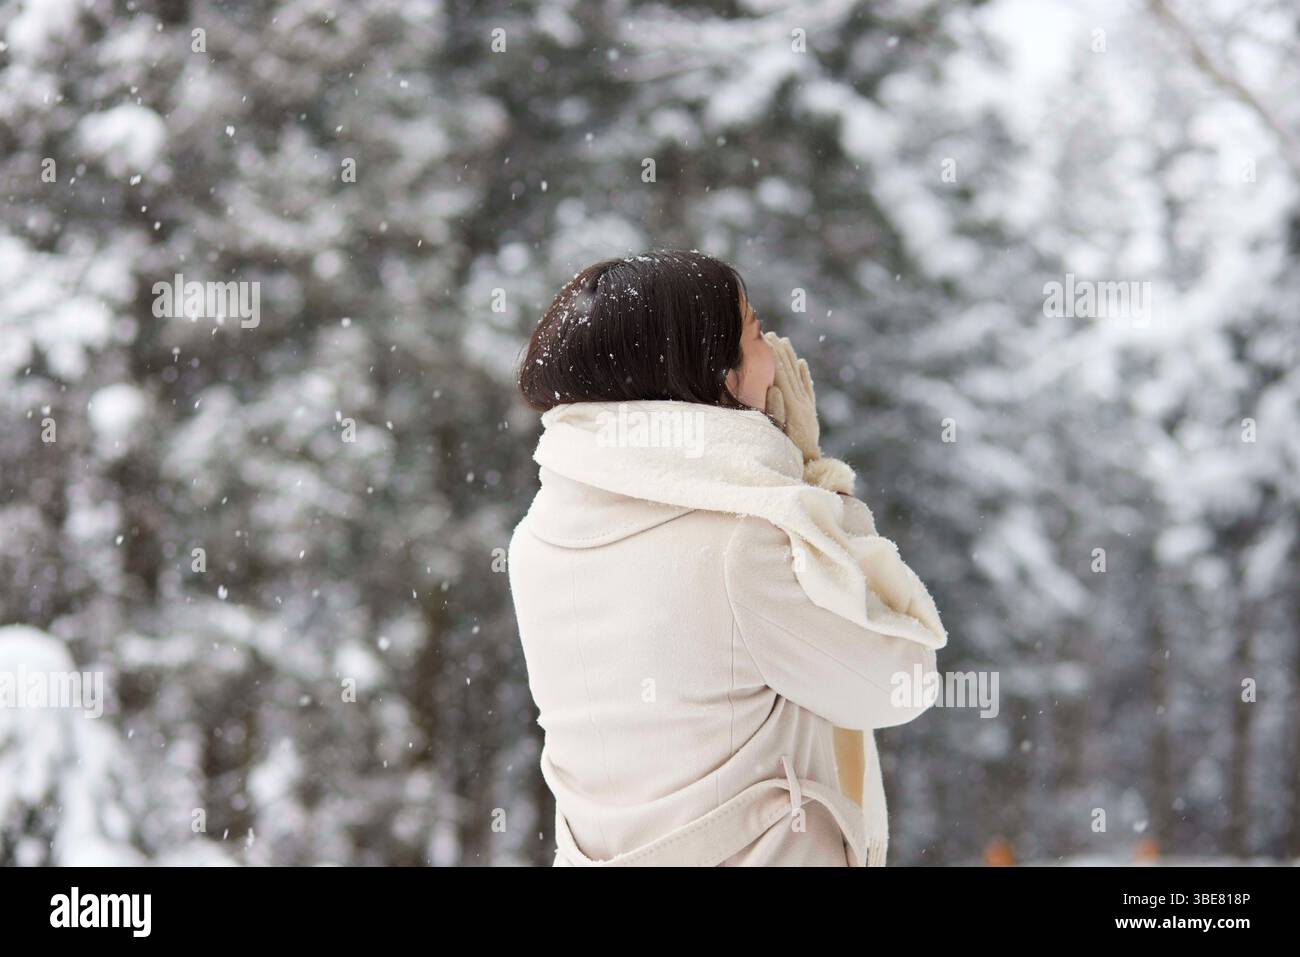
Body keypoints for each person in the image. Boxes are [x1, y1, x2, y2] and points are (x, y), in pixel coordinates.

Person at [508, 249, 947, 866]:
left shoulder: (536, 539)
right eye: (755, 331)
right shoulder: (744, 543)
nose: (774, 350)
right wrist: (817, 486)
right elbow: (901, 682)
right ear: (716, 374)